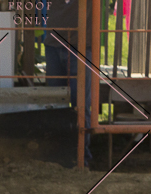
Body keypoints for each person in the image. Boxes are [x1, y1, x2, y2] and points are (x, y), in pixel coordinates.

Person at [45, 0, 93, 166]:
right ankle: (59, 154)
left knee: (80, 103)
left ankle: (81, 157)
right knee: (55, 103)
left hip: (79, 46)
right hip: (54, 44)